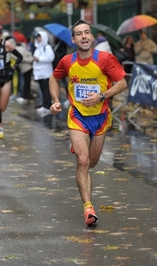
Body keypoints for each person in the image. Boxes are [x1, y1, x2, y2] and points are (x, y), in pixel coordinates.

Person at [49, 20, 127, 226]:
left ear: (92, 37)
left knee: (92, 162)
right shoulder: (67, 61)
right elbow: (54, 78)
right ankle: (88, 209)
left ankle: (79, 146)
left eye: (87, 33)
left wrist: (102, 96)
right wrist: (56, 101)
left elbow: (122, 83)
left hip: (100, 118)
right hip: (78, 116)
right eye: (79, 34)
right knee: (83, 162)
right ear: (73, 40)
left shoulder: (105, 59)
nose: (84, 36)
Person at [32, 31, 54, 117]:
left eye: (40, 37)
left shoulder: (47, 47)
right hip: (39, 73)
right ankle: (44, 105)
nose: (38, 39)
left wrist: (39, 59)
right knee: (42, 89)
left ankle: (47, 106)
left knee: (46, 90)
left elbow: (51, 57)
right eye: (37, 37)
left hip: (46, 73)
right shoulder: (37, 48)